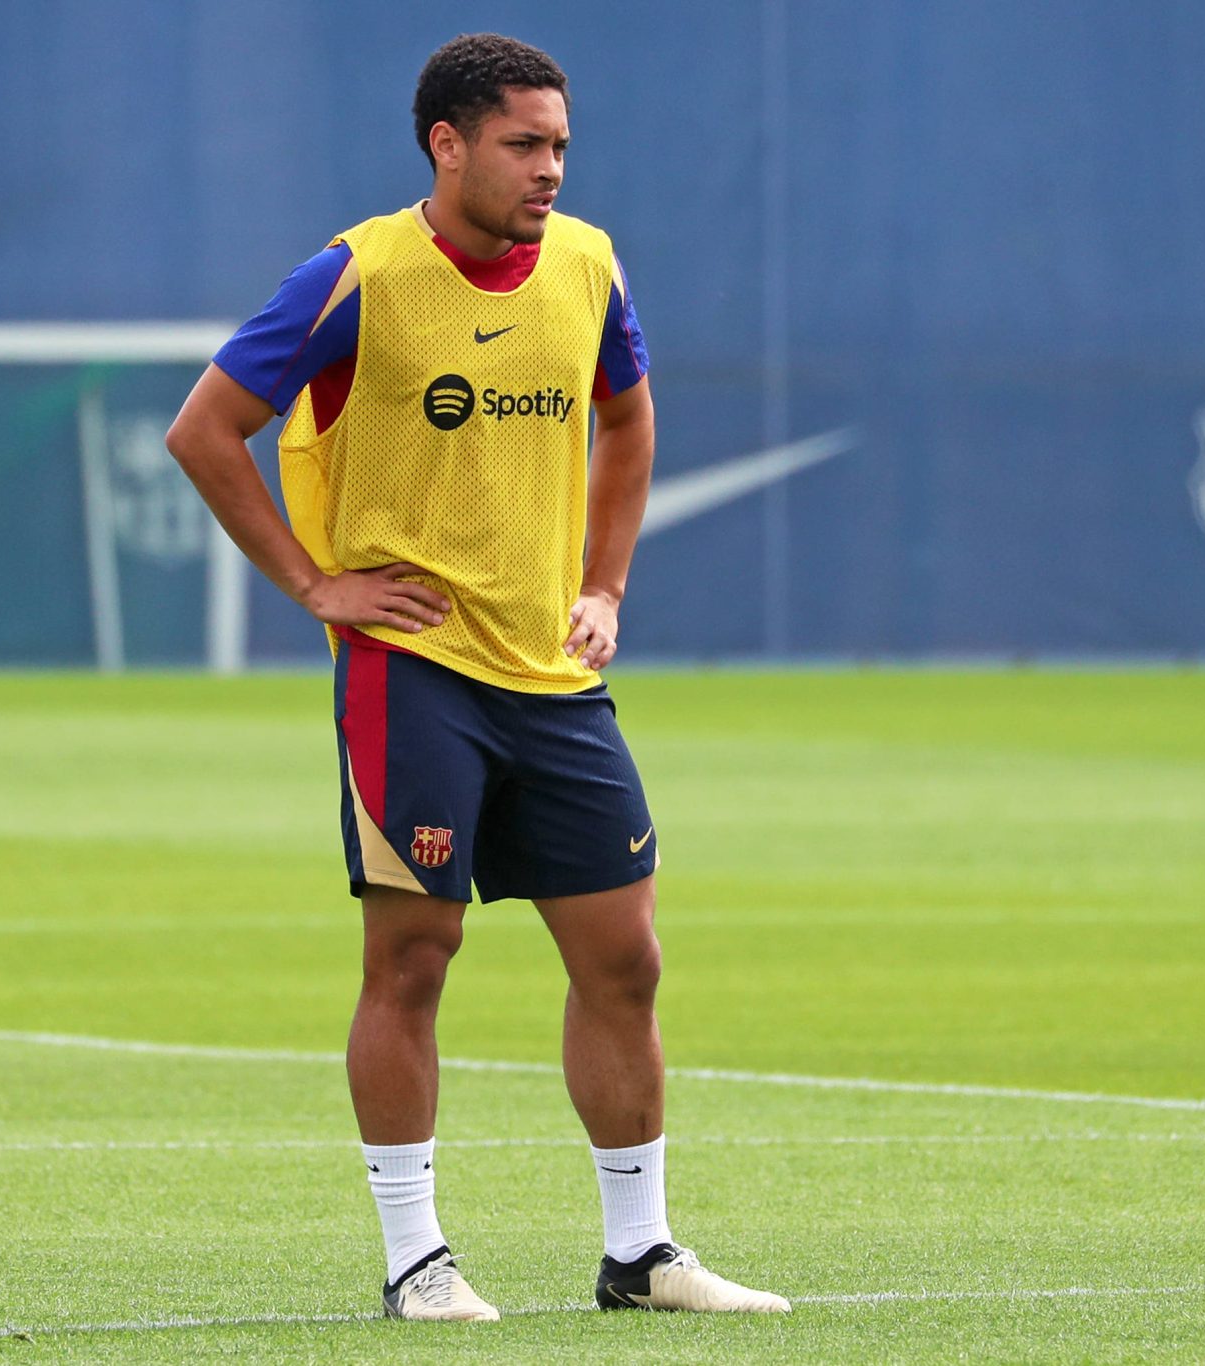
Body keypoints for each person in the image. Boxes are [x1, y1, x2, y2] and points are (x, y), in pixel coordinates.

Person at [165, 34, 786, 1320]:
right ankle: (414, 1259)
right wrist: (314, 585)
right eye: (523, 143)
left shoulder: (588, 263)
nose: (548, 168)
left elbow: (626, 414)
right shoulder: (357, 274)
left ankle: (639, 1251)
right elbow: (204, 428)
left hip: (552, 678)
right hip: (410, 672)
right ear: (445, 145)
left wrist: (603, 587)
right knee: (413, 953)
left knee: (625, 961)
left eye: (559, 143)